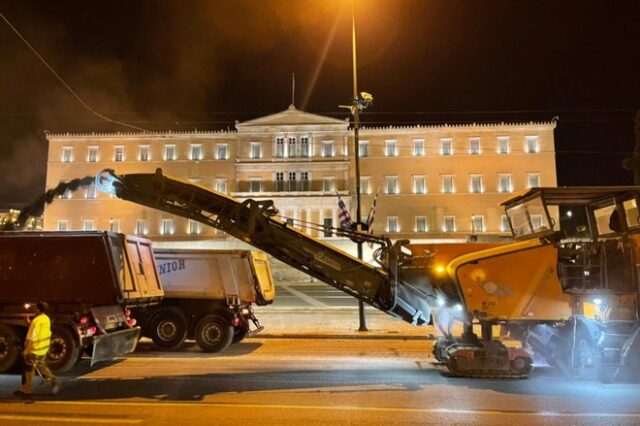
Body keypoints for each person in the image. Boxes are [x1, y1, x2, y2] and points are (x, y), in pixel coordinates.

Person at [14, 302, 59, 397]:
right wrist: (29, 324)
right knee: (40, 365)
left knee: (28, 369)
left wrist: (26, 350)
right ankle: (52, 379)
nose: (33, 310)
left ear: (38, 310)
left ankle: (26, 390)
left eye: (35, 308)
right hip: (43, 348)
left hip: (35, 349)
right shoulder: (46, 318)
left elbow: (31, 337)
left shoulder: (36, 320)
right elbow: (39, 331)